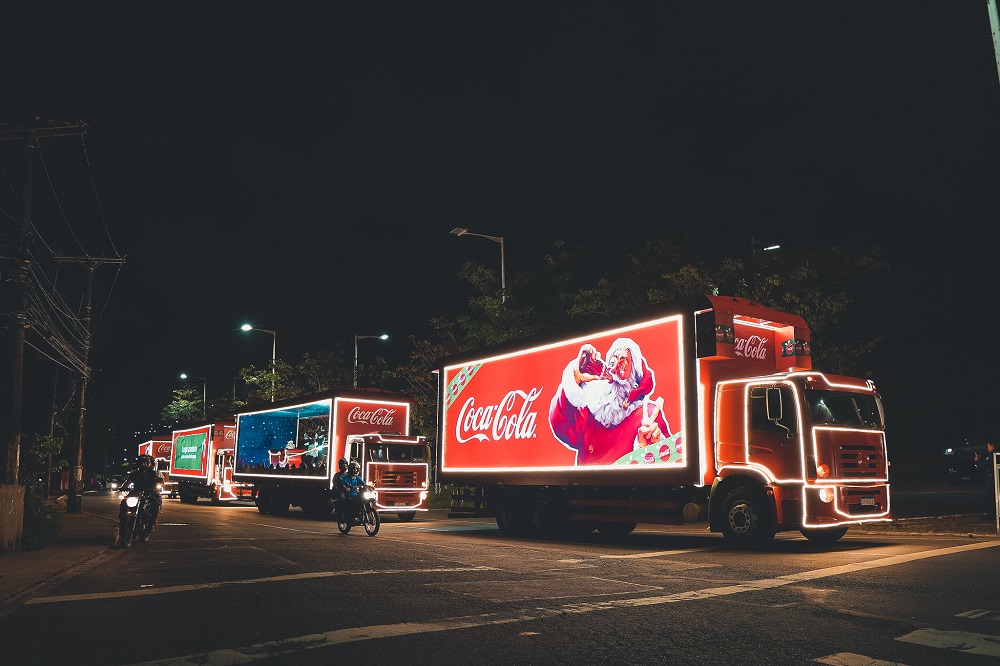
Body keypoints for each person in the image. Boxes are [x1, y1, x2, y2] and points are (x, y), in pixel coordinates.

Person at [548, 337, 672, 465]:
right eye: (614, 358)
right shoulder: (596, 407)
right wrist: (575, 380)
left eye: (623, 361)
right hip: (584, 483)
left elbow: (668, 459)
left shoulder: (648, 414)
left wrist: (650, 452)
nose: (615, 367)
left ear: (634, 379)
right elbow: (562, 427)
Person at [117, 454, 163, 545]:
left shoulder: (152, 473)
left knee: (155, 502)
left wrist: (158, 484)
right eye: (141, 462)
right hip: (136, 492)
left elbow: (159, 481)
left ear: (149, 464)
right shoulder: (134, 474)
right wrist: (123, 487)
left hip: (149, 493)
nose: (143, 464)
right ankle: (123, 521)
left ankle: (151, 524)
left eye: (145, 462)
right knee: (124, 502)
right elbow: (128, 482)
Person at [338, 461, 367, 525]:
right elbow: (342, 484)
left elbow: (363, 484)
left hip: (356, 495)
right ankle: (349, 517)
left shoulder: (357, 478)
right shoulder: (345, 478)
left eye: (357, 469)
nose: (355, 470)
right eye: (354, 469)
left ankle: (361, 514)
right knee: (350, 503)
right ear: (351, 469)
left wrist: (368, 487)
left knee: (362, 499)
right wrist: (346, 488)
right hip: (348, 495)